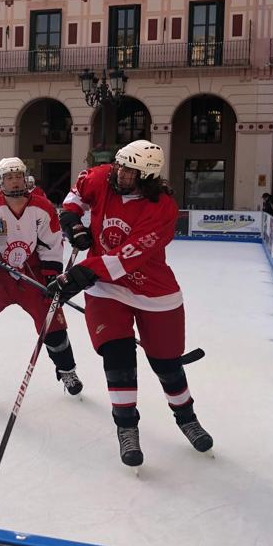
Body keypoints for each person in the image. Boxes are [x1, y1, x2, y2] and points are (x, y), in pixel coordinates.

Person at [50, 139, 213, 468]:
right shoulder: (102, 176)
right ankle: (127, 428)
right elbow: (75, 196)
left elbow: (126, 258)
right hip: (106, 289)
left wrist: (81, 273)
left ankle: (186, 418)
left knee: (167, 365)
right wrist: (73, 223)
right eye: (120, 166)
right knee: (117, 354)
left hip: (153, 290)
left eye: (131, 172)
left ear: (148, 177)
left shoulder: (162, 208)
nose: (121, 174)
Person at [0, 156, 83, 402]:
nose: (15, 182)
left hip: (33, 272)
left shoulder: (42, 206)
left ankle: (67, 370)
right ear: (1, 182)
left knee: (53, 325)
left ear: (25, 179)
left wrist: (51, 274)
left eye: (18, 176)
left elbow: (53, 242)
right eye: (9, 177)